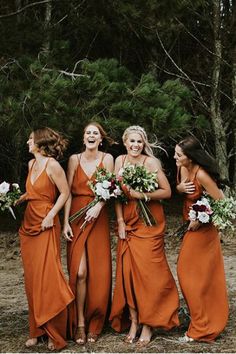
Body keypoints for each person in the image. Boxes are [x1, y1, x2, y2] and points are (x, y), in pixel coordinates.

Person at [109, 125, 179, 347]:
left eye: (139, 141)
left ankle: (149, 323)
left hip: (149, 223)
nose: (135, 145)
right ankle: (134, 320)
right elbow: (115, 195)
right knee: (128, 273)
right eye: (132, 141)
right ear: (125, 142)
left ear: (144, 143)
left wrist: (142, 194)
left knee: (150, 273)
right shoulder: (119, 162)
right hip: (128, 222)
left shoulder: (151, 162)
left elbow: (166, 192)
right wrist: (119, 222)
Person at [18, 127, 74, 351]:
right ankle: (37, 329)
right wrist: (18, 197)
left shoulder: (52, 165)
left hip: (46, 223)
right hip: (28, 224)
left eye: (30, 139)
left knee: (48, 277)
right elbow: (34, 192)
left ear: (40, 143)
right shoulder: (32, 165)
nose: (27, 142)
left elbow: (65, 192)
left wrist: (52, 215)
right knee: (32, 278)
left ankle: (55, 331)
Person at [63, 122, 114, 345]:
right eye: (88, 133)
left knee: (99, 271)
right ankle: (80, 323)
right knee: (80, 272)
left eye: (95, 133)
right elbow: (67, 193)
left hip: (98, 216)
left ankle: (95, 322)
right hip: (76, 217)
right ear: (83, 138)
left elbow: (111, 187)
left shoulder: (108, 158)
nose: (91, 136)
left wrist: (99, 205)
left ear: (100, 139)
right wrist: (65, 222)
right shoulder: (74, 159)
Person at [174, 136, 229, 342]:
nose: (175, 157)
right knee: (189, 274)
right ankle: (200, 319)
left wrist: (200, 216)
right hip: (191, 227)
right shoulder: (181, 167)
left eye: (179, 155)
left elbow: (221, 202)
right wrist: (179, 189)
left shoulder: (203, 175)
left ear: (190, 157)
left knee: (193, 275)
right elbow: (181, 187)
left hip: (204, 231)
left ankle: (202, 327)